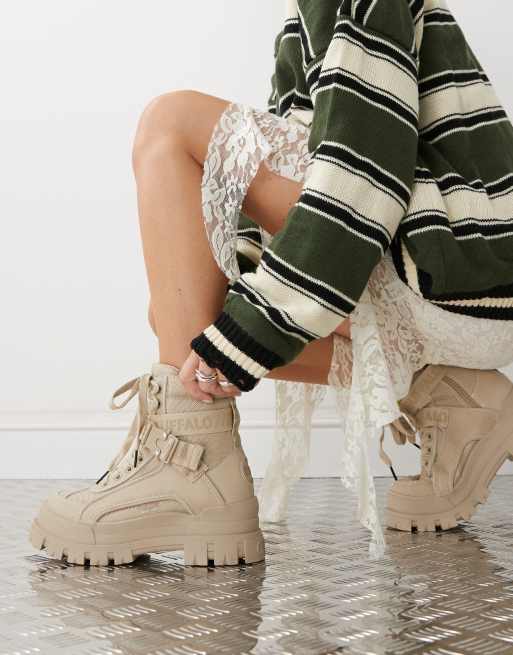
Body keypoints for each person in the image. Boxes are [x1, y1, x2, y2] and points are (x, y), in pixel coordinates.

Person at [30, 0, 513, 565]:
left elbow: (363, 177)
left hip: (451, 269)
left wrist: (252, 333)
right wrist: (228, 315)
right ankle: (448, 393)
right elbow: (287, 180)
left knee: (172, 121)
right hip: (447, 287)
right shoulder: (301, 18)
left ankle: (190, 460)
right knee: (182, 311)